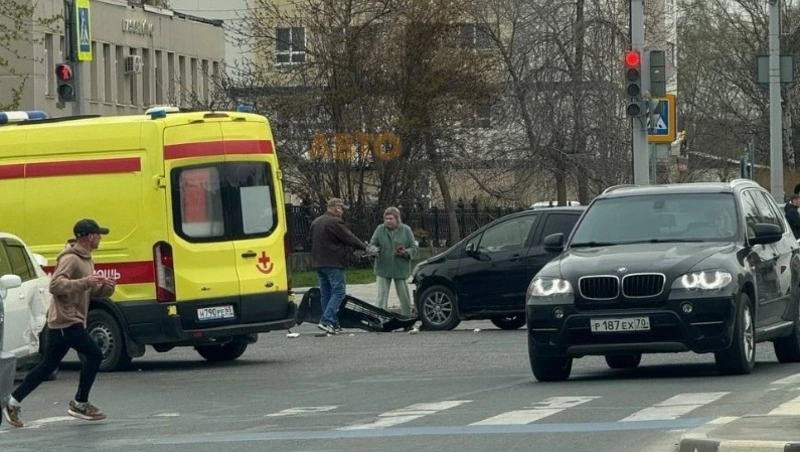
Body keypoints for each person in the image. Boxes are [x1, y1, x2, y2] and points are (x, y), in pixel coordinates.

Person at [2, 219, 116, 428]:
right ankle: (80, 403)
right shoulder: (71, 259)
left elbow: (86, 289)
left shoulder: (87, 259)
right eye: (98, 234)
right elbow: (55, 285)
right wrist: (86, 282)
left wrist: (105, 288)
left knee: (47, 366)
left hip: (69, 321)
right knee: (95, 354)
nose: (100, 238)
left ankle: (12, 402)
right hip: (66, 320)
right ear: (90, 237)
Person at [309, 198, 368, 334]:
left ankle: (333, 324)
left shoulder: (316, 222)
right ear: (336, 208)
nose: (342, 212)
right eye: (341, 209)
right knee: (339, 292)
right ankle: (327, 320)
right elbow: (349, 237)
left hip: (319, 263)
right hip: (333, 262)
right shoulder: (335, 222)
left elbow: (309, 240)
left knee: (326, 293)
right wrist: (365, 247)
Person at [369, 207, 418, 317]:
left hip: (400, 267)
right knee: (382, 295)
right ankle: (379, 318)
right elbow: (373, 243)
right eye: (386, 219)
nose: (388, 221)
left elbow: (414, 247)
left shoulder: (406, 230)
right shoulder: (380, 229)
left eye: (391, 218)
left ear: (397, 219)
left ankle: (407, 317)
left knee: (404, 295)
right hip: (383, 267)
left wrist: (406, 252)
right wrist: (373, 250)